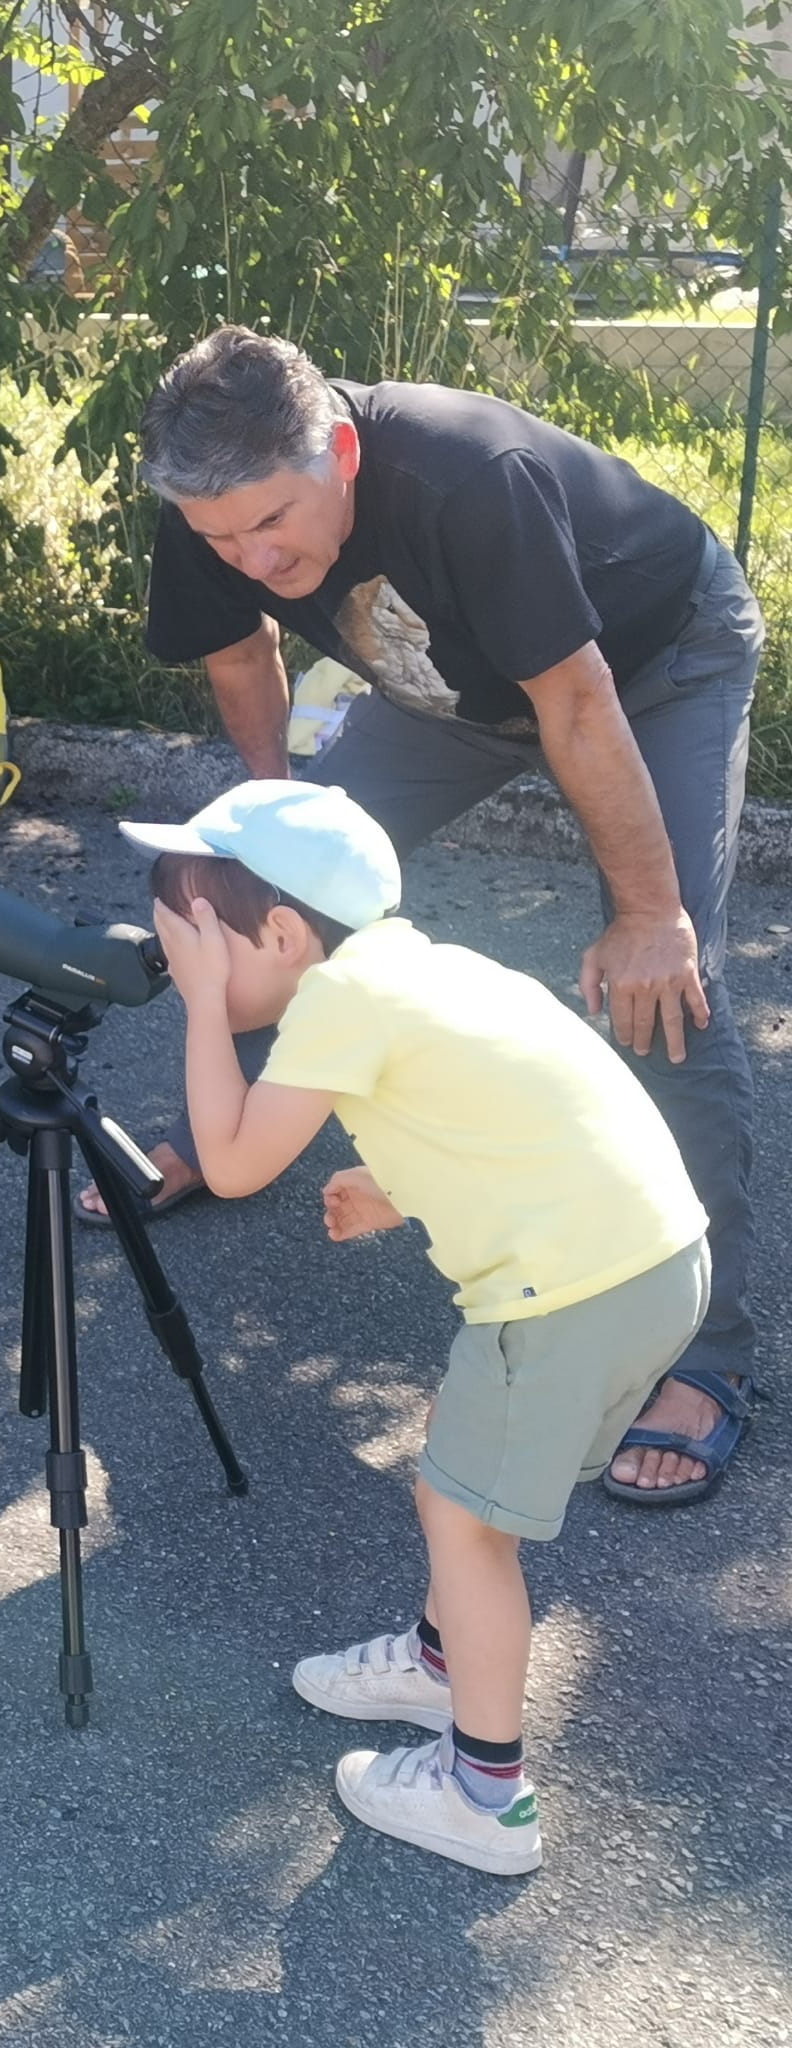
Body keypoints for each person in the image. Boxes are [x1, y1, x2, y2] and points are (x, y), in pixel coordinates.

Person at [80, 324, 761, 1509]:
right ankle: (232, 1122)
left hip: (647, 664)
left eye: (272, 524)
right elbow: (240, 661)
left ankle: (703, 1353)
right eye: (220, 539)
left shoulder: (461, 473)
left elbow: (576, 699)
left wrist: (645, 909)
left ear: (339, 450)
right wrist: (268, 838)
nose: (249, 556)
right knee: (263, 900)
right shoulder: (213, 498)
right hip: (450, 690)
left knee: (662, 982)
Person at [122, 780, 708, 1873]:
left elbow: (235, 1163)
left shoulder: (336, 1001)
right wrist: (393, 1188)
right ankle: (440, 1665)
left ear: (285, 933)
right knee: (454, 1464)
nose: (182, 969)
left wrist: (206, 1008)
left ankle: (483, 1794)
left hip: (570, 1292)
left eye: (199, 944)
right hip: (648, 1261)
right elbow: (506, 1106)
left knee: (465, 1525)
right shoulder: (422, 968)